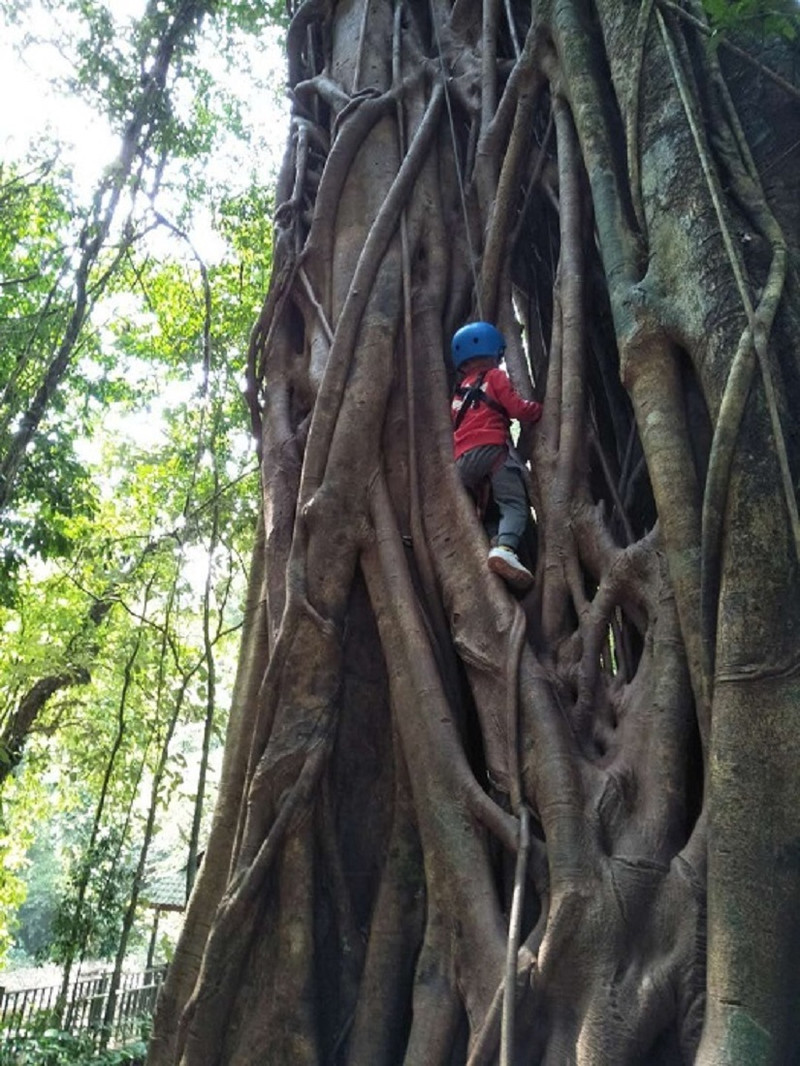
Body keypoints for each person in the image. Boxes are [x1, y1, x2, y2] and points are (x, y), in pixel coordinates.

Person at [450, 321, 542, 593]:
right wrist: (538, 410)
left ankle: (492, 542)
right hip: (492, 451)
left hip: (463, 463)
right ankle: (505, 549)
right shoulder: (495, 377)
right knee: (513, 503)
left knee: (489, 507)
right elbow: (516, 409)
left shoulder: (456, 394)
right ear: (494, 353)